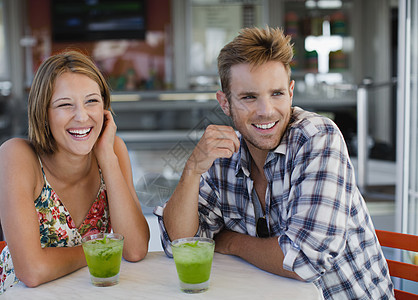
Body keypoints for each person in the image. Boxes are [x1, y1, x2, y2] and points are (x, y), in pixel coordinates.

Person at [154, 27, 394, 299]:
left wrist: (230, 242)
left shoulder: (316, 138)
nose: (266, 111)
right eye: (249, 97)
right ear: (225, 103)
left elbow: (304, 260)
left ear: (291, 93)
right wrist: (193, 169)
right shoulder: (223, 154)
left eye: (276, 94)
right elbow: (179, 245)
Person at [0, 50, 150, 299]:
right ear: (44, 113)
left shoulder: (113, 149)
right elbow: (32, 271)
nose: (82, 116)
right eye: (65, 104)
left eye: (92, 101)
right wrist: (101, 249)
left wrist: (107, 157)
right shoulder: (17, 156)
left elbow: (135, 249)